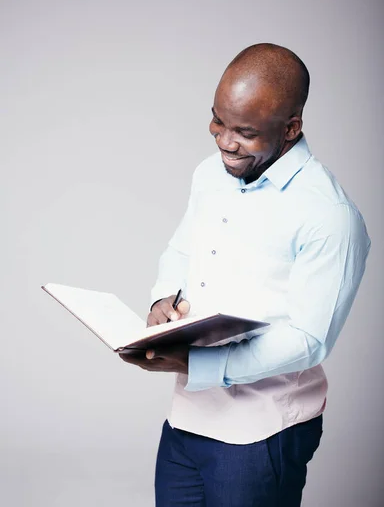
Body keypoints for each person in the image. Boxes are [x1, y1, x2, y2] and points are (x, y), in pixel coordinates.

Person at [120, 43, 371, 506]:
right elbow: (181, 248)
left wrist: (199, 364)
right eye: (218, 121)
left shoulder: (329, 215)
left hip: (263, 430)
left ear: (291, 128)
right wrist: (162, 302)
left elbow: (309, 339)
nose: (224, 141)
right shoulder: (209, 175)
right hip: (187, 417)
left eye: (245, 132)